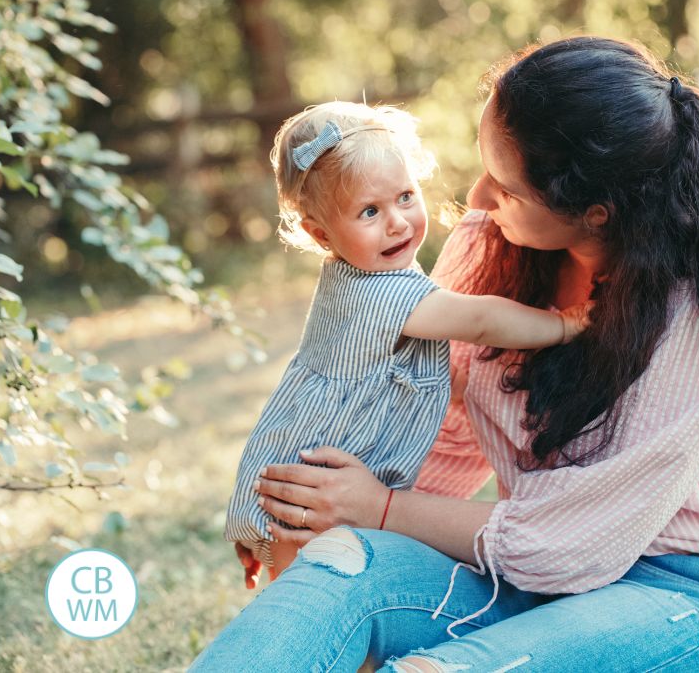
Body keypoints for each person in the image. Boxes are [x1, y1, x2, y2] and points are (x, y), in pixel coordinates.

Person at [193, 37, 699, 672]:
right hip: (536, 583)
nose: (475, 198)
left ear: (594, 214)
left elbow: (574, 541)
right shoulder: (491, 244)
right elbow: (443, 430)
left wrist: (382, 509)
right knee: (332, 571)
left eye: (506, 186)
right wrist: (317, 519)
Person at [223, 101, 592, 581]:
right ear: (321, 234)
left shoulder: (351, 273)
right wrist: (561, 326)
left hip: (304, 449)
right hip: (324, 466)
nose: (396, 222)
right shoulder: (385, 293)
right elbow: (480, 320)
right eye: (369, 211)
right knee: (322, 585)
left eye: (404, 196)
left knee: (312, 580)